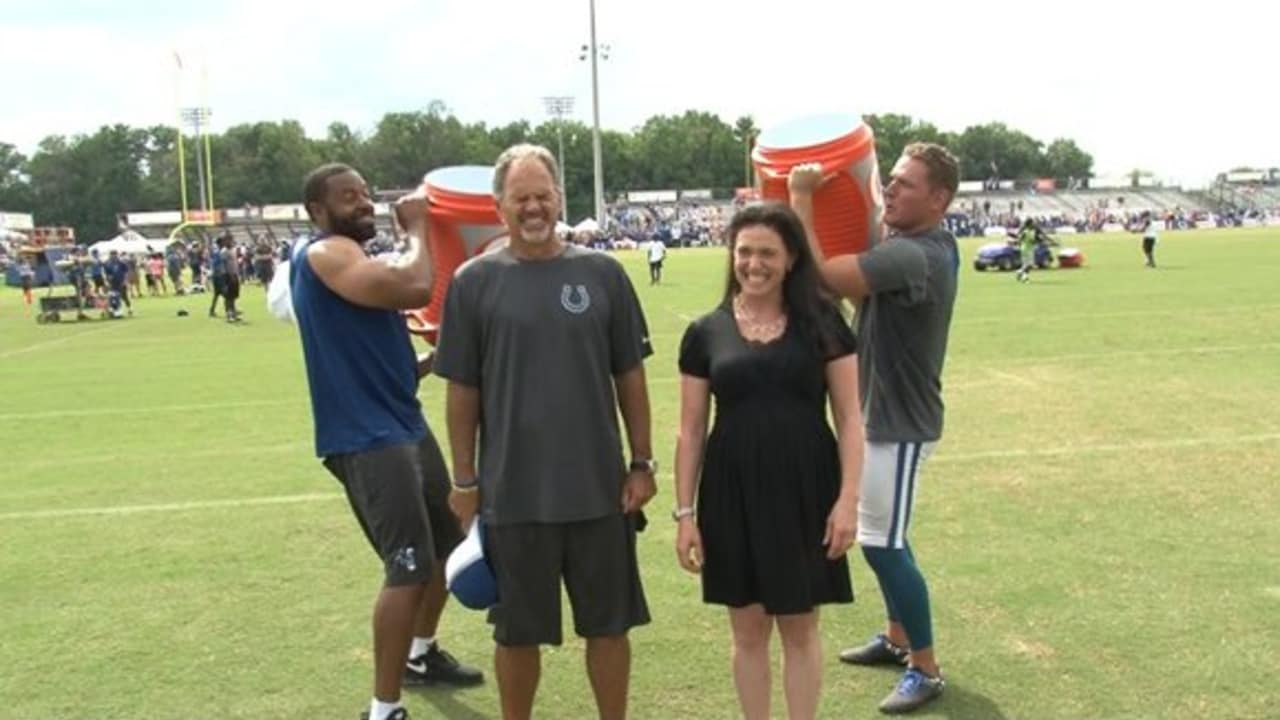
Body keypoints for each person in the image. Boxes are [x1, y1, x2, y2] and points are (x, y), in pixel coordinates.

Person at [434, 144, 655, 720]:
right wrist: (464, 478)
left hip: (599, 491)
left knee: (609, 626)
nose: (534, 208)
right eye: (520, 198)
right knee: (516, 634)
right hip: (514, 494)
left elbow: (629, 373)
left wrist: (642, 463)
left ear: (559, 197)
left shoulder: (602, 273)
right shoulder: (473, 282)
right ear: (498, 206)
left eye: (543, 196)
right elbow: (462, 391)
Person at [291, 162, 483, 720]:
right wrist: (418, 229)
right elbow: (415, 284)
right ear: (318, 211)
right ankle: (383, 708)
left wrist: (437, 357)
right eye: (348, 197)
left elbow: (386, 362)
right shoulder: (325, 254)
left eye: (365, 193)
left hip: (401, 423)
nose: (364, 203)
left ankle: (420, 655)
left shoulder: (355, 260)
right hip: (368, 437)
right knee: (408, 566)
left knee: (448, 547)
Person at [788, 142, 961, 714]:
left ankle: (926, 667)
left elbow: (828, 278)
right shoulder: (909, 244)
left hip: (902, 425)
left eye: (905, 184)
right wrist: (861, 180)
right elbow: (866, 219)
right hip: (881, 419)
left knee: (884, 545)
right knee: (885, 537)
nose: (890, 190)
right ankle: (897, 637)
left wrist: (800, 199)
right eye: (890, 180)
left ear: (939, 199)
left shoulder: (917, 254)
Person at [673, 202, 863, 720]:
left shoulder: (824, 324)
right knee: (748, 629)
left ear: (792, 259)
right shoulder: (704, 333)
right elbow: (691, 430)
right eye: (745, 252)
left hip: (807, 491)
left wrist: (848, 502)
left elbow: (850, 419)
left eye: (768, 253)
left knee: (800, 629)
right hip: (731, 496)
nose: (754, 264)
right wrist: (685, 515)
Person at [104, 250, 133, 317]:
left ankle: (130, 308)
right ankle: (114, 311)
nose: (113, 256)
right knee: (113, 297)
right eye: (112, 255)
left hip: (121, 282)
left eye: (115, 255)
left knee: (124, 296)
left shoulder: (121, 263)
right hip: (112, 283)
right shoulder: (107, 263)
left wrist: (125, 281)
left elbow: (126, 272)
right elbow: (106, 273)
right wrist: (108, 280)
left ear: (117, 255)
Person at [221, 240, 242, 322]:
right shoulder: (224, 252)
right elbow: (223, 264)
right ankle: (228, 314)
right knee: (228, 296)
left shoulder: (232, 250)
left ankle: (233, 313)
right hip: (228, 276)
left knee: (233, 296)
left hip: (234, 274)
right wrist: (228, 275)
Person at [1015, 218, 1037, 283]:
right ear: (1029, 224)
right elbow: (1019, 239)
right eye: (1032, 222)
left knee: (1027, 265)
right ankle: (1025, 278)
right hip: (1026, 249)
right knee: (1029, 265)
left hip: (1029, 249)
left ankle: (1020, 272)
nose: (1033, 224)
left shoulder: (1032, 231)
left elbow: (1032, 240)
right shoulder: (1025, 232)